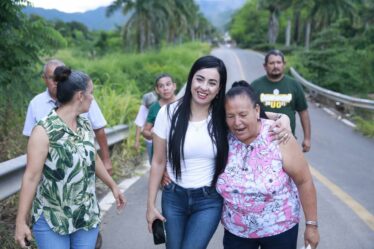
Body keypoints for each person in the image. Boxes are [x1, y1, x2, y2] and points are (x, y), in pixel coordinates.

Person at [14, 66, 126, 249]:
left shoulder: (84, 125)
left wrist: (113, 185)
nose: (93, 97)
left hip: (85, 215)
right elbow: (31, 177)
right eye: (92, 93)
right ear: (80, 96)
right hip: (52, 217)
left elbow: (93, 159)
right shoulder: (43, 131)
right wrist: (20, 222)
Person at [216, 81, 319, 249]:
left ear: (257, 111)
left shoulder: (279, 135)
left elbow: (304, 181)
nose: (237, 122)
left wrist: (312, 225)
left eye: (243, 114)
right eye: (230, 116)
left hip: (279, 229)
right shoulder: (222, 137)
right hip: (236, 232)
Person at [146, 55, 229, 249]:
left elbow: (254, 115)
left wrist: (281, 118)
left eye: (212, 83)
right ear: (191, 79)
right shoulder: (168, 113)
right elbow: (158, 161)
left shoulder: (224, 116)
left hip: (209, 201)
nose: (204, 87)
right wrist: (150, 206)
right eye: (199, 79)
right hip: (173, 198)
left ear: (218, 89)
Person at [23, 59, 114, 174]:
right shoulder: (36, 104)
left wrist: (106, 160)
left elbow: (98, 130)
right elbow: (30, 139)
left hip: (82, 170)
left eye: (60, 78)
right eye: (52, 78)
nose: (56, 82)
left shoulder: (85, 99)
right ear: (44, 79)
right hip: (52, 172)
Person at [251, 49, 312, 152]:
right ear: (265, 66)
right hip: (262, 141)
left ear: (284, 64)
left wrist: (307, 138)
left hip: (287, 139)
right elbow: (249, 113)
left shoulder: (294, 85)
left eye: (278, 62)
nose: (276, 66)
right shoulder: (255, 86)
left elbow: (303, 112)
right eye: (272, 63)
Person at [142, 73, 177, 160]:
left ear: (174, 86)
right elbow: (145, 131)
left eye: (168, 84)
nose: (165, 88)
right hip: (160, 155)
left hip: (179, 153)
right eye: (161, 86)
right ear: (157, 90)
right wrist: (154, 135)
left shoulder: (184, 105)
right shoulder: (154, 108)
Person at [134, 91, 158, 163]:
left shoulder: (160, 106)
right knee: (152, 161)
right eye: (148, 106)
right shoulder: (143, 108)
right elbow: (139, 124)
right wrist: (137, 141)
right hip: (150, 138)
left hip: (162, 139)